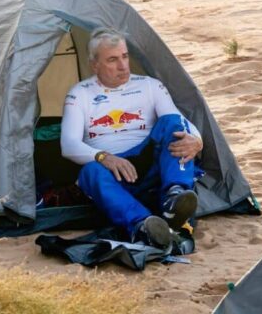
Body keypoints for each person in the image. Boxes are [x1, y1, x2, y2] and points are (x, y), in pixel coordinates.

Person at [61, 28, 203, 249]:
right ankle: (143, 226)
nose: (123, 66)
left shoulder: (150, 85)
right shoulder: (80, 93)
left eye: (125, 56)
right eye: (112, 59)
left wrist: (198, 140)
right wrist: (104, 157)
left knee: (171, 123)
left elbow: (178, 120)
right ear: (94, 65)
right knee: (90, 172)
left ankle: (174, 197)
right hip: (113, 171)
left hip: (150, 164)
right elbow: (68, 145)